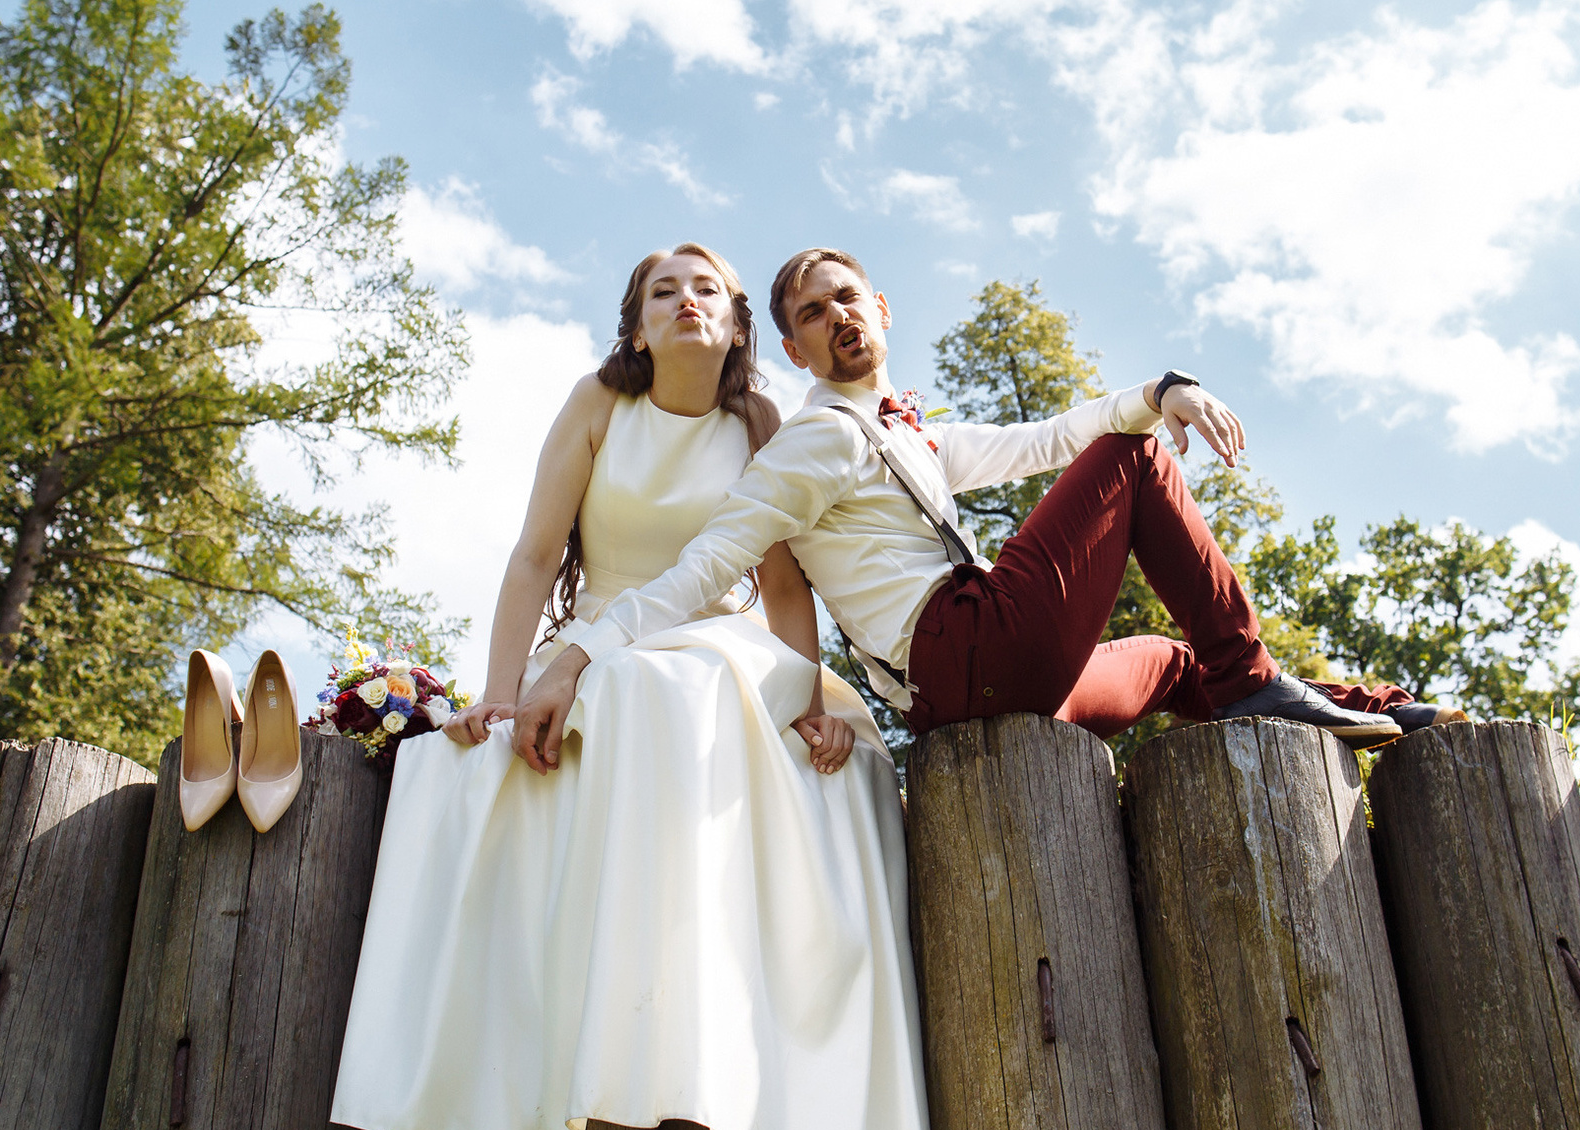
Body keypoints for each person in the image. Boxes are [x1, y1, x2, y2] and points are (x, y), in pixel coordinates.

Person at [330, 243, 940, 1130]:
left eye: (707, 287)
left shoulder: (761, 424)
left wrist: (804, 696)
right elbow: (534, 554)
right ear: (636, 323)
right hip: (599, 632)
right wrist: (499, 689)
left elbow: (785, 590)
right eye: (665, 289)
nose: (687, 299)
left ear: (740, 323)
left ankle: (733, 1048)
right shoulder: (597, 405)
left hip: (724, 640)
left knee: (714, 704)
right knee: (553, 729)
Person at [508, 246, 1452, 773]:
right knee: (1132, 459)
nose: (837, 316)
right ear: (795, 353)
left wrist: (1158, 386)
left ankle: (1361, 711)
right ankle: (1252, 679)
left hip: (984, 695)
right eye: (810, 314)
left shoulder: (907, 434)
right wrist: (576, 658)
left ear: (881, 309)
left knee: (1167, 660)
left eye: (848, 299)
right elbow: (710, 562)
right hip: (962, 649)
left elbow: (1044, 439)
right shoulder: (816, 439)